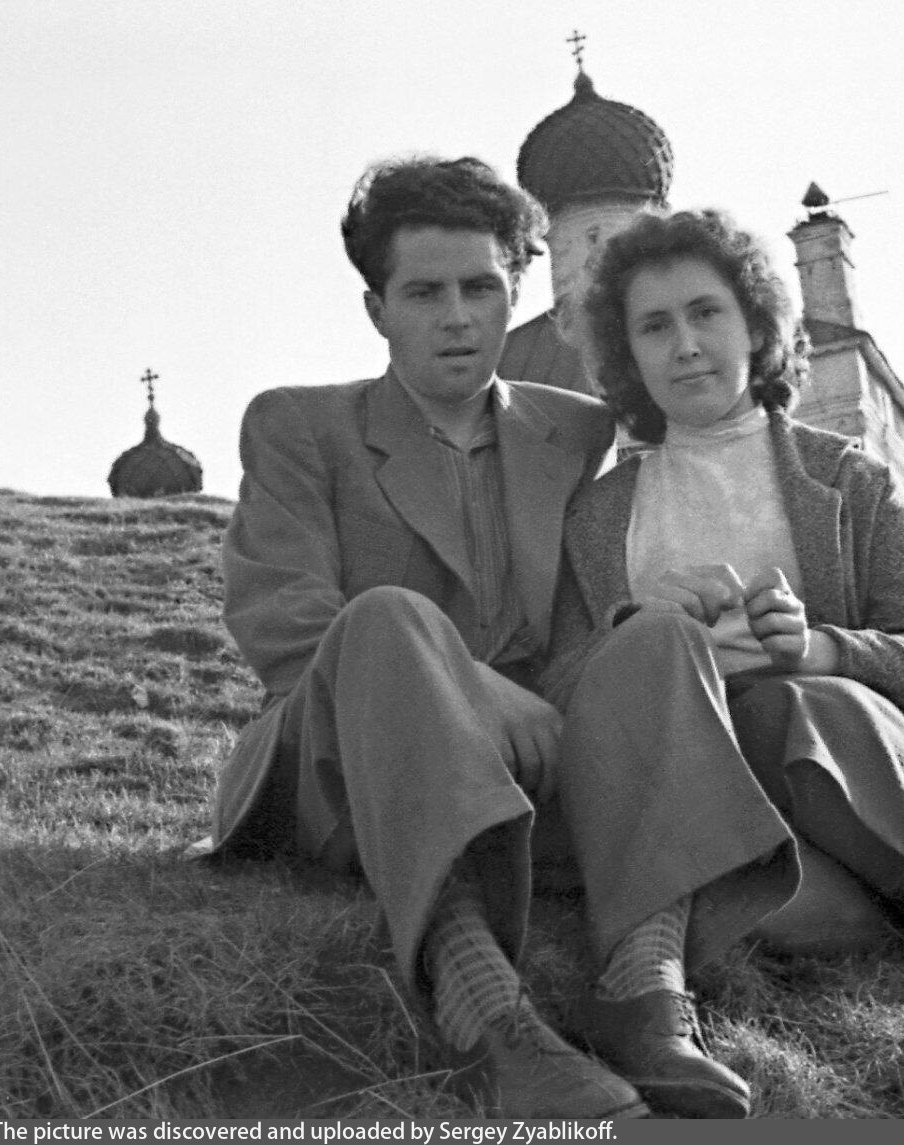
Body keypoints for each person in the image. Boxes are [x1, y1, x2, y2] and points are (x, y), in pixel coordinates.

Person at [204, 158, 770, 1121]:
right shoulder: (299, 423)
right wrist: (466, 681)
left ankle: (643, 988)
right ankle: (492, 1022)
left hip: (528, 763)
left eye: (482, 288)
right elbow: (287, 630)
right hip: (345, 759)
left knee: (660, 635)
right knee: (387, 613)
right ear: (377, 309)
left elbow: (584, 620)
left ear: (516, 292)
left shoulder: (579, 431)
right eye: (425, 293)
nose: (459, 318)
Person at [539, 208, 904, 1088]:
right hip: (698, 788)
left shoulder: (851, 477)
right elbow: (561, 686)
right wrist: (633, 628)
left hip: (842, 766)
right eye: (654, 326)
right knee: (754, 860)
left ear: (756, 325)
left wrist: (816, 647)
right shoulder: (597, 516)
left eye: (706, 313)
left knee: (792, 705)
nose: (686, 345)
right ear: (627, 353)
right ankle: (894, 919)